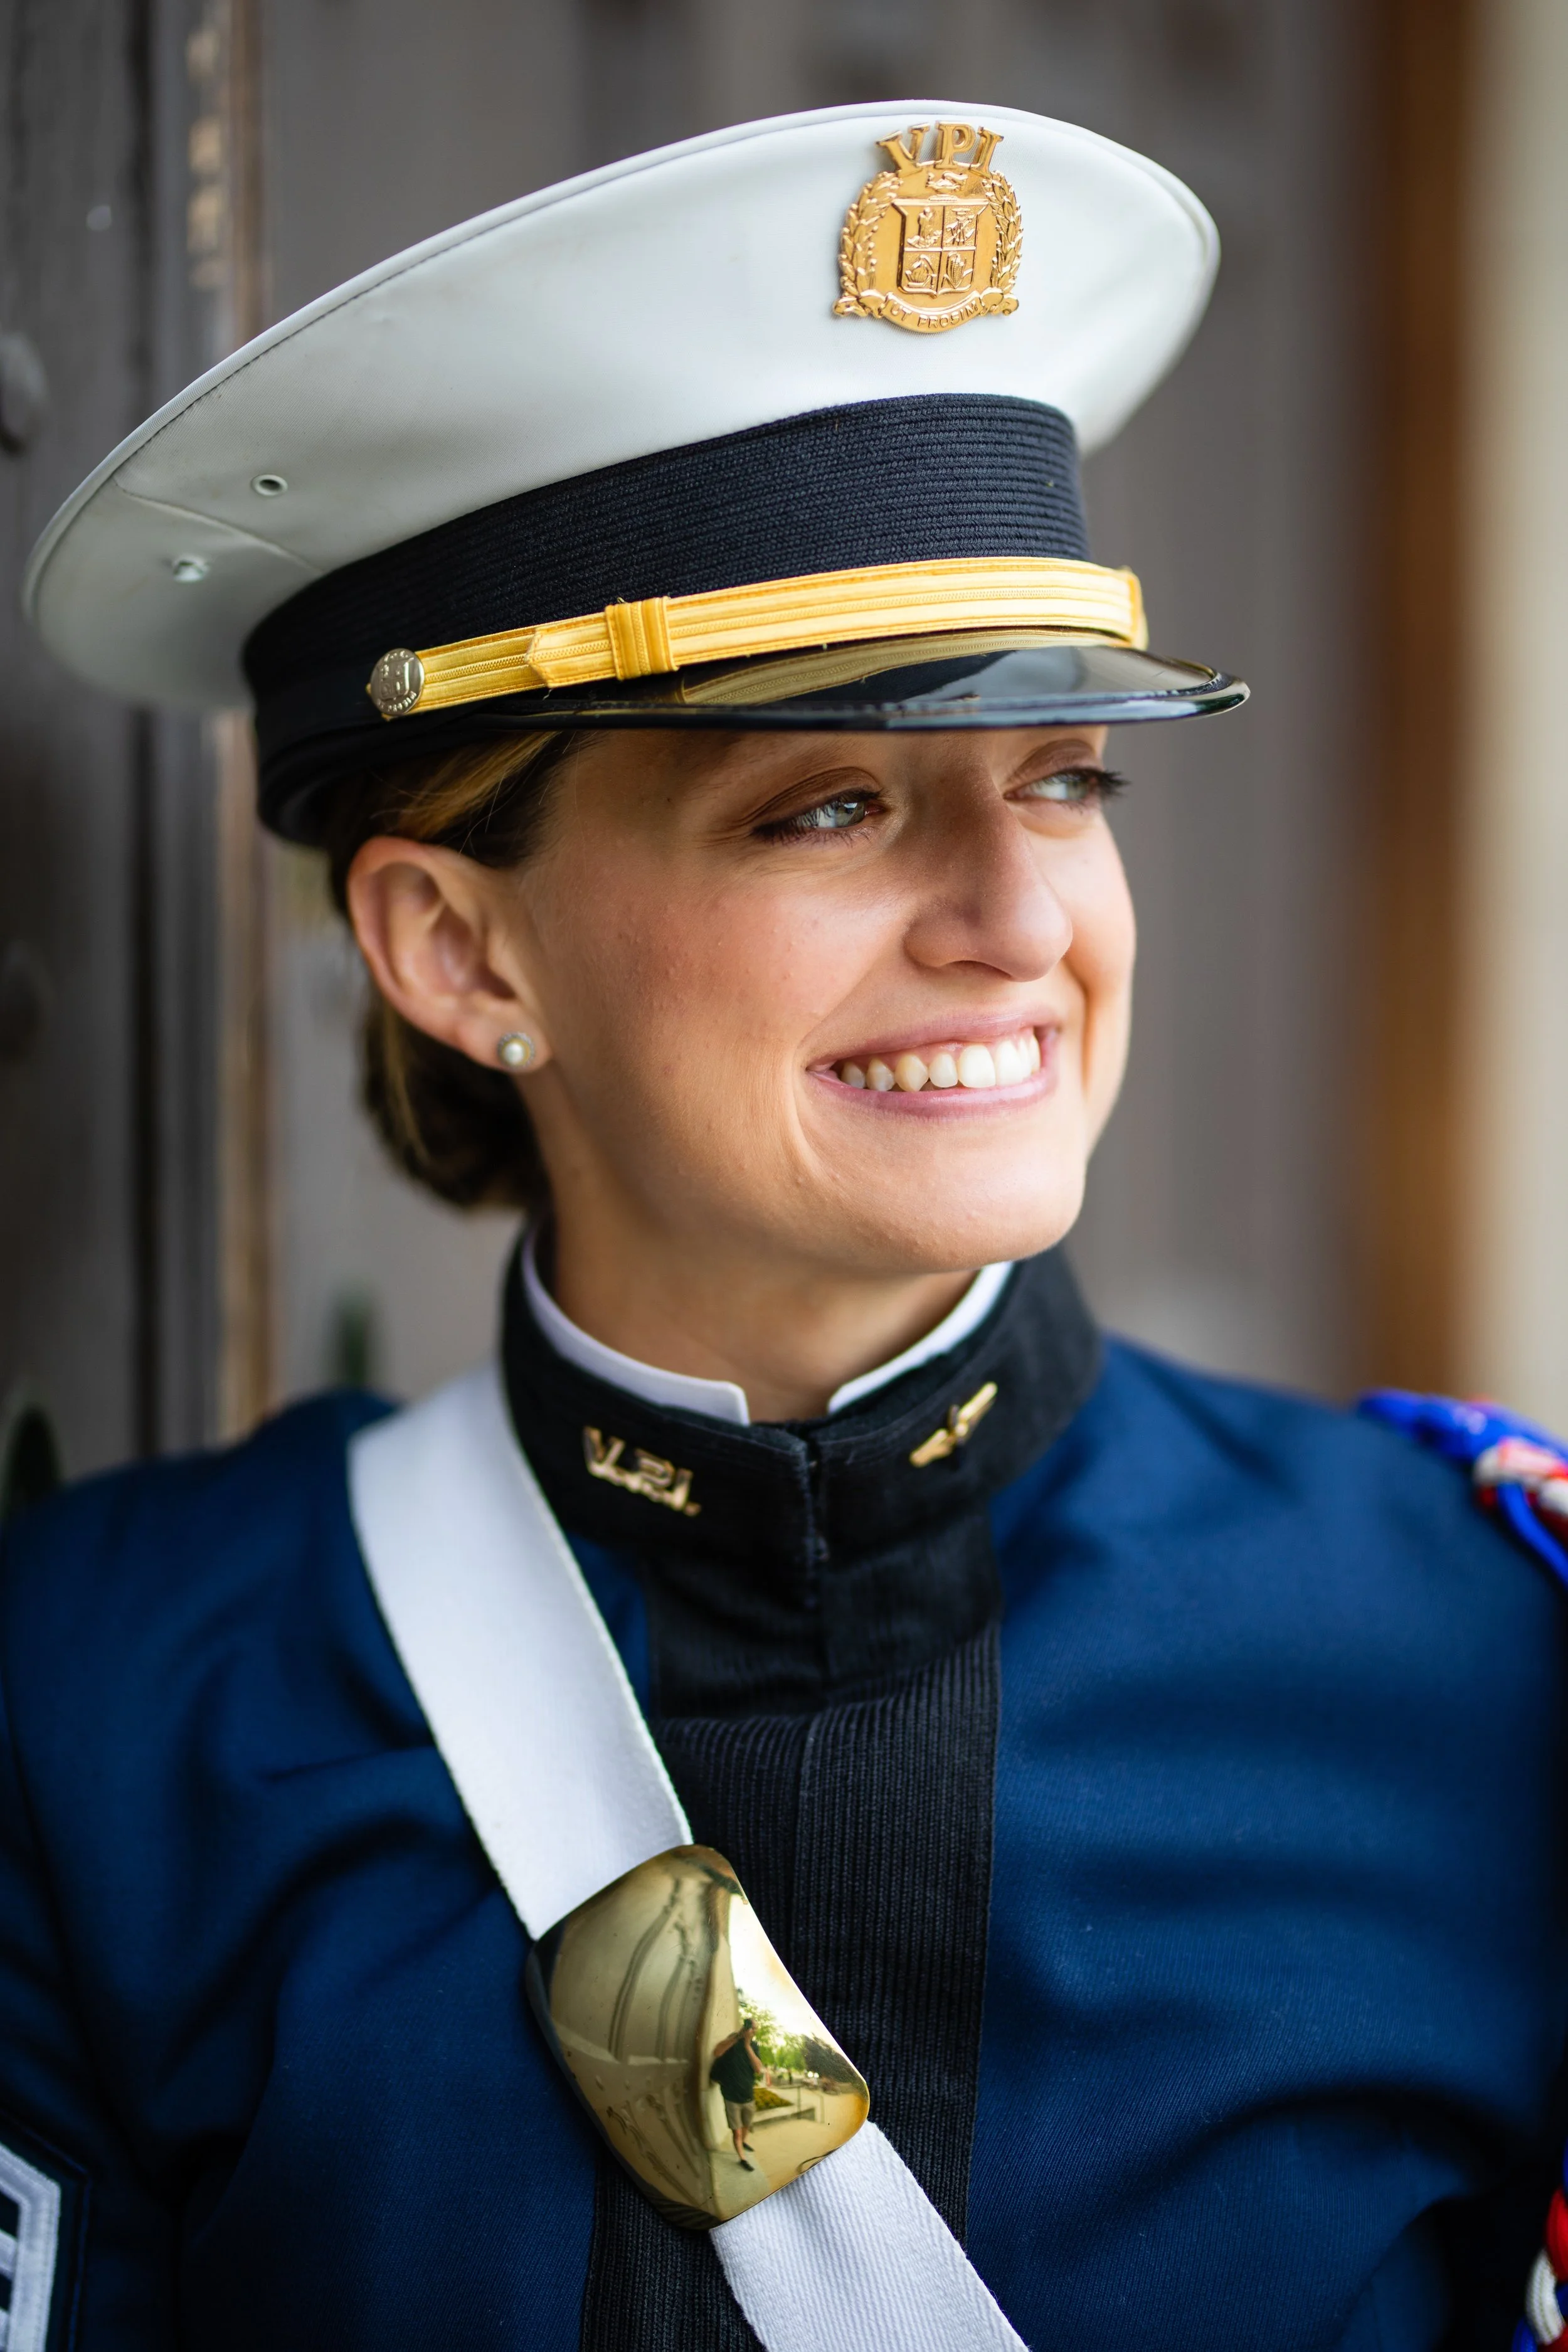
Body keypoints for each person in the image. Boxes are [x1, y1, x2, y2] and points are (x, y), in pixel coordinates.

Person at [4, 97, 1566, 2352]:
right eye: (830, 800)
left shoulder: (1481, 1658)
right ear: (459, 948)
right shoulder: (102, 1700)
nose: (1023, 914)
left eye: (1064, 777)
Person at [711, 2021, 766, 2168]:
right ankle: (742, 2159)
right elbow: (717, 2052)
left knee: (746, 2125)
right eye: (751, 2028)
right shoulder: (732, 2040)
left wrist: (747, 2045)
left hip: (748, 2096)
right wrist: (738, 2037)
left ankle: (743, 2142)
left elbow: (758, 2069)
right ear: (744, 2028)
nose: (753, 2031)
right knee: (737, 2132)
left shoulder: (754, 2046)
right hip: (731, 2097)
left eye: (755, 2029)